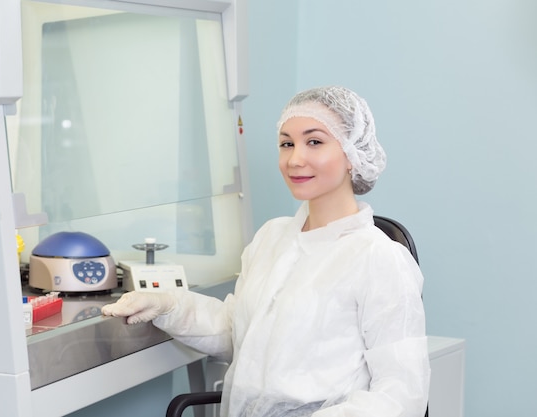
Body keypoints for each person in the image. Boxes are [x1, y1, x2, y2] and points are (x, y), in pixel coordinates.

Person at [102, 86, 430, 417]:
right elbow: (238, 333)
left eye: (314, 141)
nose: (294, 159)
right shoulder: (272, 238)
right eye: (287, 143)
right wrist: (168, 305)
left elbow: (402, 396)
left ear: (351, 154)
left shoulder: (379, 258)